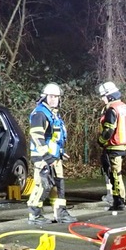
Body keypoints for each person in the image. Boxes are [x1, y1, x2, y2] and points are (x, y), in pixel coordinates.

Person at [27, 83, 77, 225]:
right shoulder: (40, 113)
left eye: (56, 97)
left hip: (54, 157)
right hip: (43, 157)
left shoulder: (53, 114)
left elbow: (54, 137)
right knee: (43, 185)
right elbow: (37, 137)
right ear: (45, 97)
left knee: (59, 185)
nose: (54, 99)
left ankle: (60, 213)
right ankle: (34, 215)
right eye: (51, 96)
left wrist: (60, 152)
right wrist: (47, 156)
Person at [97, 81, 126, 212]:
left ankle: (119, 201)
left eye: (103, 96)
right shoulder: (124, 107)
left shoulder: (112, 109)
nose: (102, 99)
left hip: (113, 145)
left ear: (109, 96)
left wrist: (101, 140)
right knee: (117, 174)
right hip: (122, 145)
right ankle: (118, 200)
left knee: (115, 174)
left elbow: (108, 130)